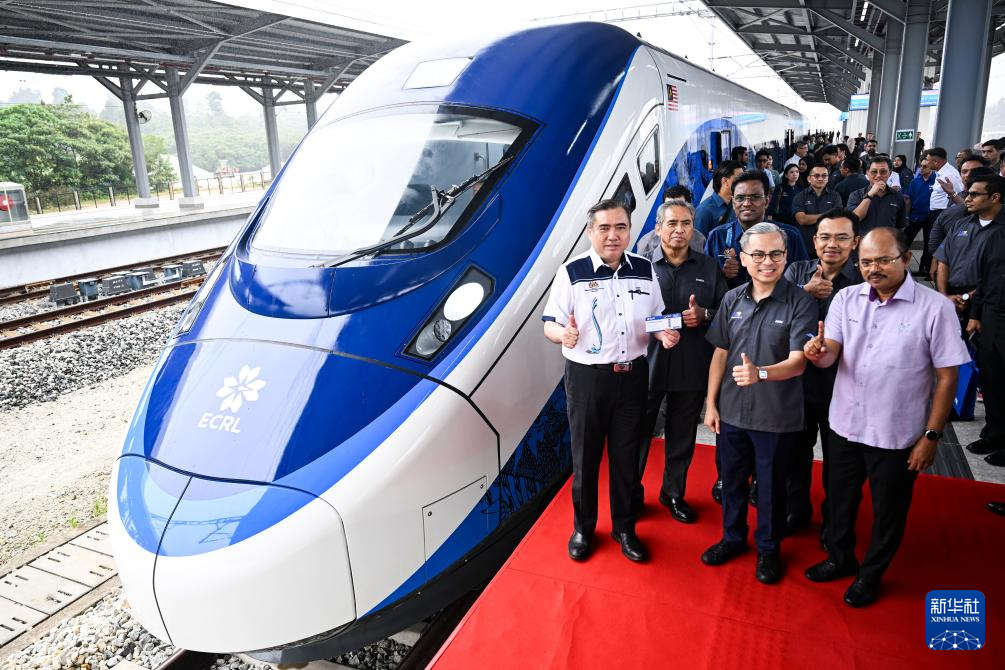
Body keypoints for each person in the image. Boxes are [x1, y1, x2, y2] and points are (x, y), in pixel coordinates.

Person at [803, 227, 969, 607]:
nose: (873, 269)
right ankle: (840, 558)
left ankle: (871, 574)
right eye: (865, 262)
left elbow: (948, 377)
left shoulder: (935, 308)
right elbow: (831, 354)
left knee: (888, 510)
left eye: (883, 260)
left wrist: (931, 435)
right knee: (839, 500)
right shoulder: (846, 298)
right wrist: (818, 353)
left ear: (906, 258)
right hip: (844, 424)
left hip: (897, 432)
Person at [543, 199, 680, 563]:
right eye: (604, 228)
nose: (613, 235)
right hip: (587, 379)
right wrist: (563, 335)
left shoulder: (644, 269)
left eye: (620, 227)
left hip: (633, 376)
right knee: (586, 458)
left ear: (630, 231)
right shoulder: (571, 272)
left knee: (626, 456)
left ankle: (624, 528)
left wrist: (664, 333)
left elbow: (655, 317)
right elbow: (550, 323)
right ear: (591, 232)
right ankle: (584, 529)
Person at [701, 222, 817, 584]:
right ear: (744, 258)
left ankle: (768, 549)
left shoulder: (801, 302)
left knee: (769, 488)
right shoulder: (732, 299)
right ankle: (732, 538)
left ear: (786, 256)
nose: (768, 262)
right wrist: (711, 404)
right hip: (732, 412)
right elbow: (721, 353)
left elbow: (798, 362)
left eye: (776, 254)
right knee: (732, 481)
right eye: (759, 254)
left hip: (776, 415)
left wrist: (761, 374)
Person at [635, 199, 727, 523]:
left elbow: (726, 314)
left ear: (693, 228)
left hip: (692, 365)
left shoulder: (709, 267)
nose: (679, 230)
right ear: (658, 228)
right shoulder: (640, 267)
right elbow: (626, 318)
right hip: (647, 366)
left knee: (682, 435)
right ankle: (631, 494)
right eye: (672, 223)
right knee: (637, 435)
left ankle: (673, 493)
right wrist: (660, 326)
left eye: (686, 223)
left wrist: (705, 314)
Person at [783, 209, 862, 546]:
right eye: (825, 237)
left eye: (842, 238)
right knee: (795, 456)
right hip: (797, 386)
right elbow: (772, 313)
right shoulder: (796, 272)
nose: (832, 244)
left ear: (855, 242)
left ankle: (834, 525)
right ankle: (796, 511)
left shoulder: (863, 281)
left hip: (843, 389)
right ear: (814, 241)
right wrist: (804, 292)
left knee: (840, 465)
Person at [958, 176, 1005, 465]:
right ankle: (994, 435)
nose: (968, 197)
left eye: (975, 194)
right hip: (990, 316)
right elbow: (985, 278)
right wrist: (975, 314)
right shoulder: (990, 233)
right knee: (991, 380)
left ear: (995, 197)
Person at [706, 171, 810, 290]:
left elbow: (804, 280)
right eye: (740, 198)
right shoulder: (717, 237)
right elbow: (705, 284)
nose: (746, 203)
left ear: (767, 201)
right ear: (733, 203)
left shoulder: (790, 236)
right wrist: (721, 275)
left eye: (755, 197)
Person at [847, 156, 907, 235]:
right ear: (867, 173)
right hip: (863, 241)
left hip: (887, 241)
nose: (878, 175)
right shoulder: (856, 195)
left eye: (883, 171)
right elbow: (854, 220)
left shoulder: (898, 197)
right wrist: (870, 195)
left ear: (889, 173)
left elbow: (900, 227)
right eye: (874, 171)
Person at [792, 163, 842, 255]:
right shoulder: (800, 196)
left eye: (824, 176)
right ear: (809, 179)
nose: (820, 179)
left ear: (828, 178)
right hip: (807, 245)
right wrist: (828, 215)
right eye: (816, 176)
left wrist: (811, 218)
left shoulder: (835, 196)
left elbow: (837, 218)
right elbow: (802, 219)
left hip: (829, 245)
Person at [695, 160, 743, 236]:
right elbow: (698, 241)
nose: (743, 182)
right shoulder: (704, 210)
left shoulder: (736, 204)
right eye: (739, 178)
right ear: (725, 181)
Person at [903, 157, 936, 255]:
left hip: (930, 218)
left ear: (931, 167)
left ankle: (925, 264)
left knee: (928, 245)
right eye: (921, 166)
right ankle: (898, 260)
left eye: (925, 166)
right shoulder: (915, 181)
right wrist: (906, 216)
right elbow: (908, 199)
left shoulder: (938, 181)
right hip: (915, 216)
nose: (922, 168)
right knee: (904, 242)